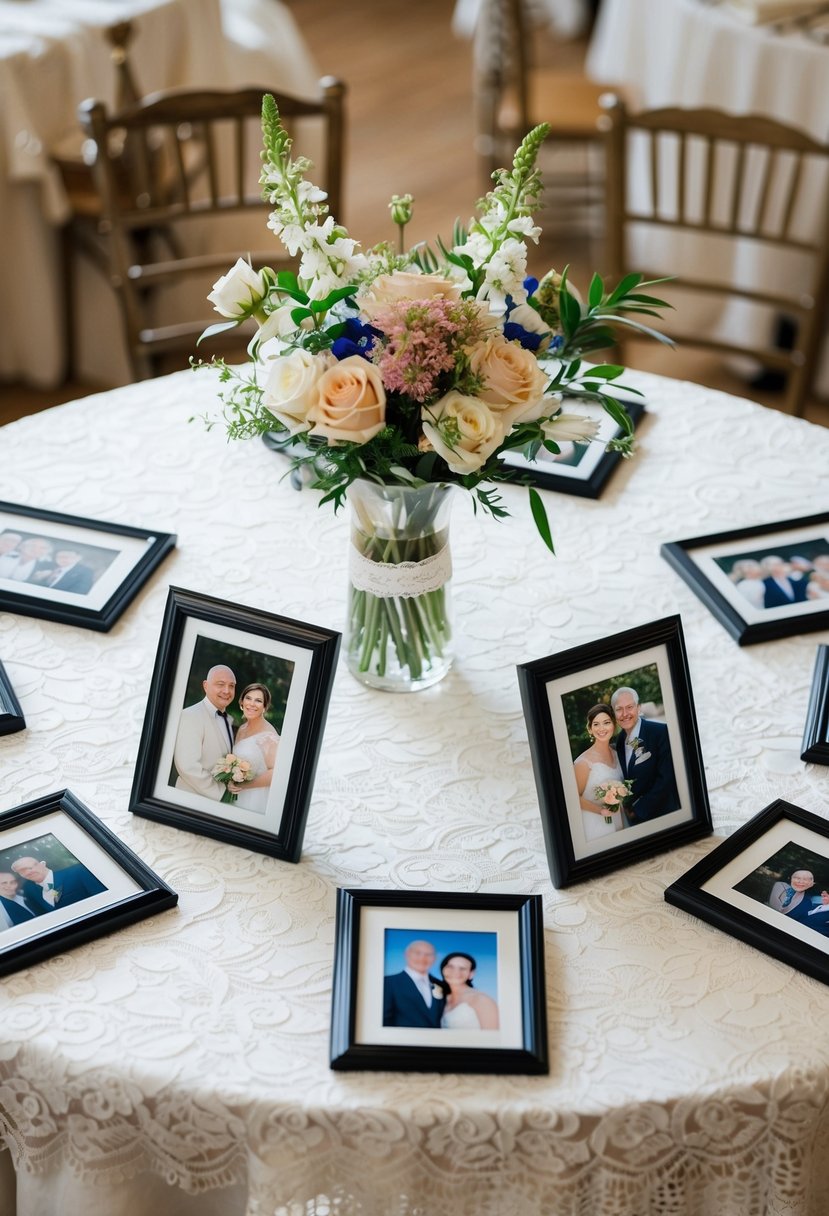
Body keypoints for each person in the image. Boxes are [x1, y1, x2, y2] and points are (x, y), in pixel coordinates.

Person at [612, 685, 680, 824]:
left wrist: (638, 810)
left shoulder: (660, 732)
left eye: (630, 707)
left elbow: (667, 777)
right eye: (619, 709)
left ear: (639, 708)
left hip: (665, 815)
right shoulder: (619, 742)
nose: (625, 714)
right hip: (637, 821)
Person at [173, 664, 237, 800]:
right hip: (190, 800)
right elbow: (188, 766)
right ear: (206, 685)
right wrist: (224, 796)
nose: (227, 690)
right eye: (221, 684)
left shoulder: (229, 720)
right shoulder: (190, 715)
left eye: (232, 686)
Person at [573, 704, 625, 841]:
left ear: (614, 725)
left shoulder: (618, 754)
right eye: (596, 724)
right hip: (594, 825)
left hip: (618, 819)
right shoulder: (583, 763)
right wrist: (601, 811)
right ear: (590, 729)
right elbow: (572, 798)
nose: (601, 728)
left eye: (606, 723)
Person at [227, 683, 280, 812]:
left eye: (258, 701)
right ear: (242, 702)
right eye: (248, 698)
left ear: (265, 707)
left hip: (255, 798)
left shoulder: (269, 736)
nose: (251, 704)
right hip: (236, 794)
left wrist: (244, 785)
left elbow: (275, 774)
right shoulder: (242, 728)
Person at [383, 939, 445, 1028]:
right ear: (406, 954)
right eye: (417, 953)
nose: (422, 958)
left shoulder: (442, 985)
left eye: (428, 954)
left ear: (434, 958)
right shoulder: (388, 982)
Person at [11, 855, 106, 908]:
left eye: (32, 866)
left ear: (43, 864)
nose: (28, 871)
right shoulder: (31, 892)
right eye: (22, 871)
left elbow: (104, 898)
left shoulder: (78, 872)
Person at [439, 951, 499, 1030]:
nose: (455, 972)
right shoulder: (442, 999)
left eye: (462, 968)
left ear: (471, 974)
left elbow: (493, 1036)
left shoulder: (482, 999)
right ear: (443, 970)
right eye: (450, 967)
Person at [31, 548, 95, 594]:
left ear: (78, 558)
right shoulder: (49, 566)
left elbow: (79, 592)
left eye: (67, 557)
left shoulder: (85, 572)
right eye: (59, 557)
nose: (62, 559)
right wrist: (37, 578)